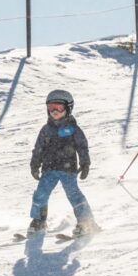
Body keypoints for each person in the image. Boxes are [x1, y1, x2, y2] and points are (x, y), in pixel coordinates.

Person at [26, 90, 99, 237]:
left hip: (68, 169)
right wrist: (35, 165)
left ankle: (86, 222)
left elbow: (82, 146)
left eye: (59, 108)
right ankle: (38, 221)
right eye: (51, 107)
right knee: (40, 194)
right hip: (49, 169)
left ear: (68, 108)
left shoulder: (73, 129)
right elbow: (38, 149)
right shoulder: (46, 130)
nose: (54, 111)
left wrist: (85, 163)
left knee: (73, 194)